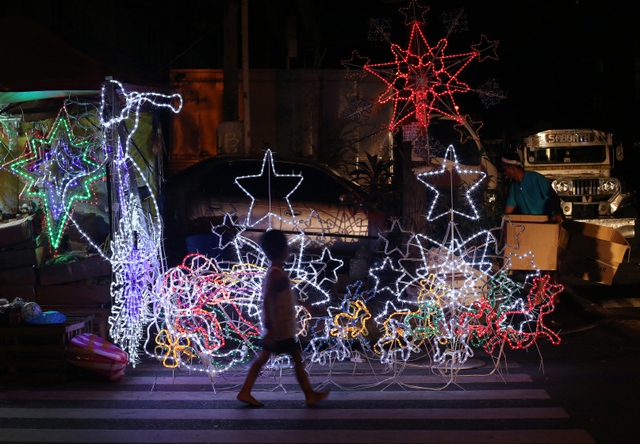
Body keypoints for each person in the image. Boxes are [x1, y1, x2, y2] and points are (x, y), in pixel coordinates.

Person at [237, 229, 329, 407]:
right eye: (287, 248)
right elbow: (267, 300)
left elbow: (285, 298)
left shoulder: (277, 272)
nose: (289, 251)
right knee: (292, 359)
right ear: (282, 250)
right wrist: (270, 326)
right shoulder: (276, 274)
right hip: (279, 329)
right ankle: (309, 395)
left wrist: (308, 306)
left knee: (284, 359)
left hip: (280, 328)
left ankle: (246, 392)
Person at [501, 151, 564, 223]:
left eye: (505, 170)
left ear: (512, 168)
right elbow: (508, 212)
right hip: (529, 224)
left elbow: (553, 197)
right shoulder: (514, 187)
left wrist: (556, 213)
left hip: (545, 222)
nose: (504, 173)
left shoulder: (536, 178)